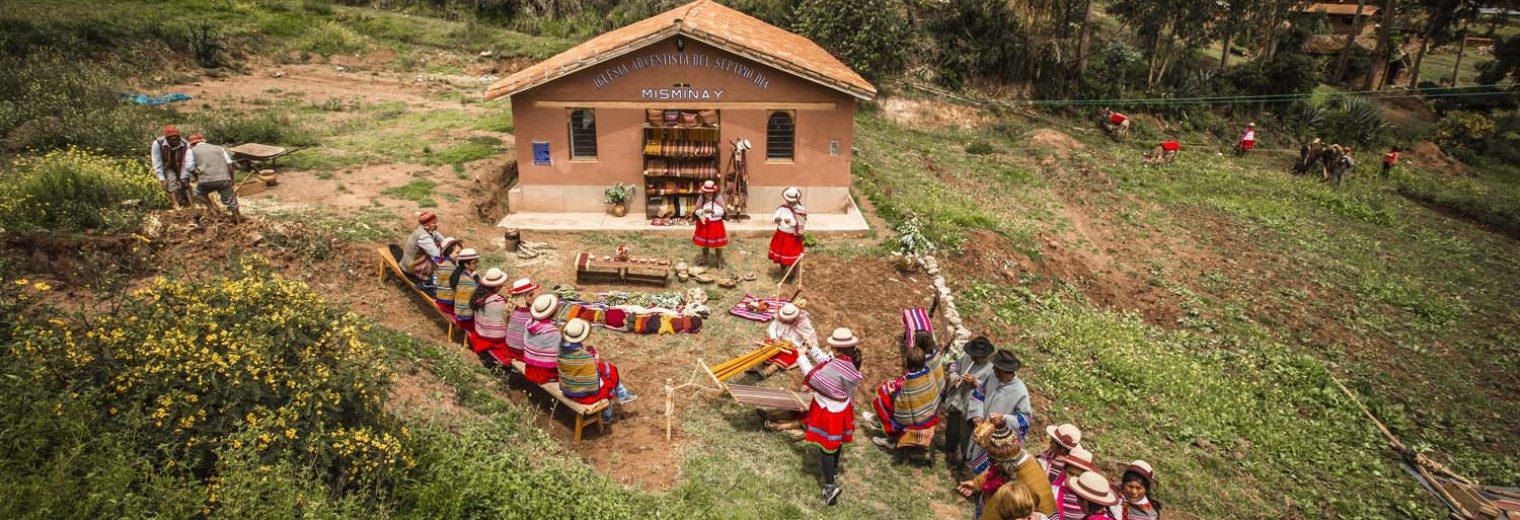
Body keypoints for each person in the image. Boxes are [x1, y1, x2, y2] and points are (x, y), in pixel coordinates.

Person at [793, 328, 866, 505]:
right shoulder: (847, 364)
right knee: (836, 441)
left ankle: (830, 487)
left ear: (837, 349)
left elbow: (816, 377)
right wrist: (812, 348)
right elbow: (828, 361)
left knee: (826, 447)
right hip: (841, 409)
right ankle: (833, 470)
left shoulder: (836, 365)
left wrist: (802, 356)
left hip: (828, 410)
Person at [957, 415, 1059, 518]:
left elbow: (1049, 514)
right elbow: (993, 471)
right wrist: (975, 484)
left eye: (995, 462)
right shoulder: (1007, 465)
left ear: (1004, 462)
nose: (993, 465)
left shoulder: (1034, 482)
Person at [557, 318, 638, 424]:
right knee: (609, 381)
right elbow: (595, 377)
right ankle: (607, 416)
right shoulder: (585, 357)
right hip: (582, 395)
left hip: (567, 389)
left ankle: (622, 394)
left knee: (608, 368)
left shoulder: (561, 351)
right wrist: (595, 359)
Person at [966, 349, 1033, 474]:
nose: (993, 371)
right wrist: (977, 415)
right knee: (976, 459)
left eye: (996, 369)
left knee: (992, 470)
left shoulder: (1020, 391)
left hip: (999, 440)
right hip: (983, 430)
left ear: (1003, 371)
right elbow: (979, 394)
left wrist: (1004, 418)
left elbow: (1025, 419)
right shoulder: (992, 378)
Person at [868, 345, 941, 449]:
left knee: (883, 402)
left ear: (909, 365)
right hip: (930, 414)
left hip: (919, 420)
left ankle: (891, 439)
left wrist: (893, 393)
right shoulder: (929, 373)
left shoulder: (910, 383)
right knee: (889, 396)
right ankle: (876, 420)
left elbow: (902, 406)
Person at [945, 337, 997, 470]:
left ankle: (963, 460)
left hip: (971, 406)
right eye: (973, 355)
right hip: (958, 399)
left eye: (978, 357)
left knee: (965, 434)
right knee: (952, 428)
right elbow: (953, 366)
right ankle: (950, 452)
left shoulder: (990, 370)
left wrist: (975, 382)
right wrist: (955, 377)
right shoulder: (965, 357)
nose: (974, 359)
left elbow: (990, 389)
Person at [181, 133, 241, 224]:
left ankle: (212, 211)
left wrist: (196, 176)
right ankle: (238, 220)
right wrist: (231, 179)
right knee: (231, 200)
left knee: (199, 193)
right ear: (203, 141)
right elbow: (230, 163)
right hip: (224, 179)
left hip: (206, 180)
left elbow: (189, 167)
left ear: (192, 143)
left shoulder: (191, 151)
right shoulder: (219, 148)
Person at [754, 303, 819, 379]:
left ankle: (767, 371)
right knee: (766, 345)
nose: (785, 321)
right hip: (778, 342)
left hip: (793, 347)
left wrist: (802, 349)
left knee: (789, 356)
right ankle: (757, 365)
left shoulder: (802, 322)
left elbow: (810, 339)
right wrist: (774, 338)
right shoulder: (780, 317)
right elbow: (772, 327)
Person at [469, 268, 512, 367]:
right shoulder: (498, 302)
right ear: (497, 285)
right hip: (495, 338)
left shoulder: (478, 297)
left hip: (480, 333)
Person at [521, 294, 562, 384]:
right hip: (544, 372)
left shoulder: (529, 322)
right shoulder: (552, 331)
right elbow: (560, 355)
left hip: (530, 368)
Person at [768, 186, 807, 277]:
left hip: (792, 237)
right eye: (788, 201)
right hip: (781, 235)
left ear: (796, 200)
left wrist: (792, 222)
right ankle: (783, 272)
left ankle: (794, 274)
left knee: (794, 256)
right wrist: (776, 219)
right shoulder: (782, 208)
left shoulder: (801, 210)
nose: (789, 203)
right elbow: (775, 217)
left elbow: (800, 222)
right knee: (782, 255)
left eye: (791, 201)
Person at [150, 126, 190, 209]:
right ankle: (175, 203)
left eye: (176, 139)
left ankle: (188, 202)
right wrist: (162, 179)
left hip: (180, 166)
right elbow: (157, 161)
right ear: (167, 139)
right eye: (172, 140)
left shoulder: (186, 145)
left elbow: (186, 162)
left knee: (185, 183)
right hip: (167, 166)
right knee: (171, 180)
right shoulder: (157, 143)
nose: (175, 141)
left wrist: (182, 178)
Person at [1053, 446, 1097, 520]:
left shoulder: (1089, 499)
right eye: (1070, 473)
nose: (1073, 478)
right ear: (1064, 470)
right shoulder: (1054, 490)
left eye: (1078, 476)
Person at [503, 278, 540, 364]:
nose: (534, 297)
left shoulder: (510, 309)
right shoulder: (531, 314)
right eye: (530, 295)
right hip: (522, 352)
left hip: (510, 347)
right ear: (522, 297)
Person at [401, 211, 445, 282]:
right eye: (434, 223)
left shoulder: (423, 228)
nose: (436, 224)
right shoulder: (424, 237)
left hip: (407, 262)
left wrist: (449, 244)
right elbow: (436, 256)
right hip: (411, 268)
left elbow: (441, 239)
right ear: (428, 224)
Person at [693, 180, 728, 267]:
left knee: (718, 244)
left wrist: (713, 212)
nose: (708, 195)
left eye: (710, 193)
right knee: (705, 243)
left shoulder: (718, 198)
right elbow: (697, 211)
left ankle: (719, 260)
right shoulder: (701, 199)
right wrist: (703, 212)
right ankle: (705, 258)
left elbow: (722, 211)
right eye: (706, 193)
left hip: (715, 224)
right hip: (704, 224)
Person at [449, 248, 481, 333]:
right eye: (474, 263)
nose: (476, 264)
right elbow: (479, 296)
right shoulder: (467, 280)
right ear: (466, 264)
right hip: (466, 319)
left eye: (477, 262)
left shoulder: (462, 275)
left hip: (461, 315)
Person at [430, 237, 463, 315]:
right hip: (449, 306)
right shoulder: (454, 269)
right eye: (457, 253)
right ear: (449, 252)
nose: (460, 255)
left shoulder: (440, 264)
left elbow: (435, 284)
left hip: (440, 301)